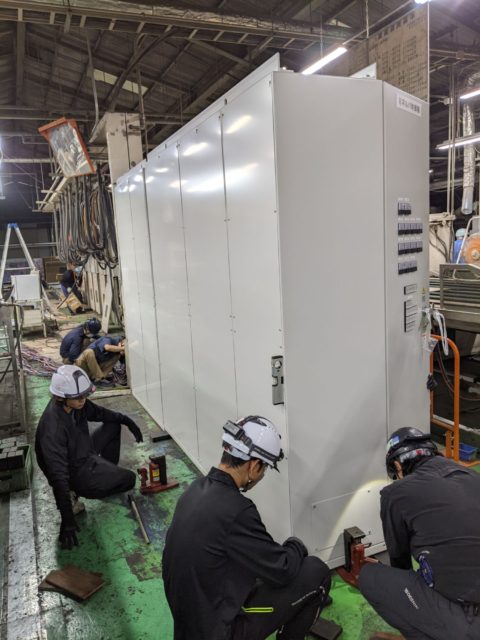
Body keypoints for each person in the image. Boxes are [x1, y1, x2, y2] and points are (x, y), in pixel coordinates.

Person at [162, 415, 331, 640]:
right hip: (221, 633)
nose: (261, 476)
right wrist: (295, 545)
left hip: (190, 625)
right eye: (264, 468)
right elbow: (282, 570)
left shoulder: (194, 490)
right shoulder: (237, 509)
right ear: (254, 465)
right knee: (315, 571)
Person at [359, 427, 480, 640]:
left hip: (470, 619)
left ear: (398, 466)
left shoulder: (394, 493)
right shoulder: (471, 476)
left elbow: (400, 560)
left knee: (370, 577)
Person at [35, 365, 143, 550]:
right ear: (61, 397)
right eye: (78, 397)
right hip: (73, 471)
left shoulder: (76, 404)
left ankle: (104, 470)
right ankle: (75, 492)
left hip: (82, 452)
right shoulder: (53, 429)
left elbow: (101, 413)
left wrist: (126, 420)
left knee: (113, 425)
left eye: (85, 395)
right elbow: (58, 475)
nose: (83, 400)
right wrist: (67, 519)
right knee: (129, 479)